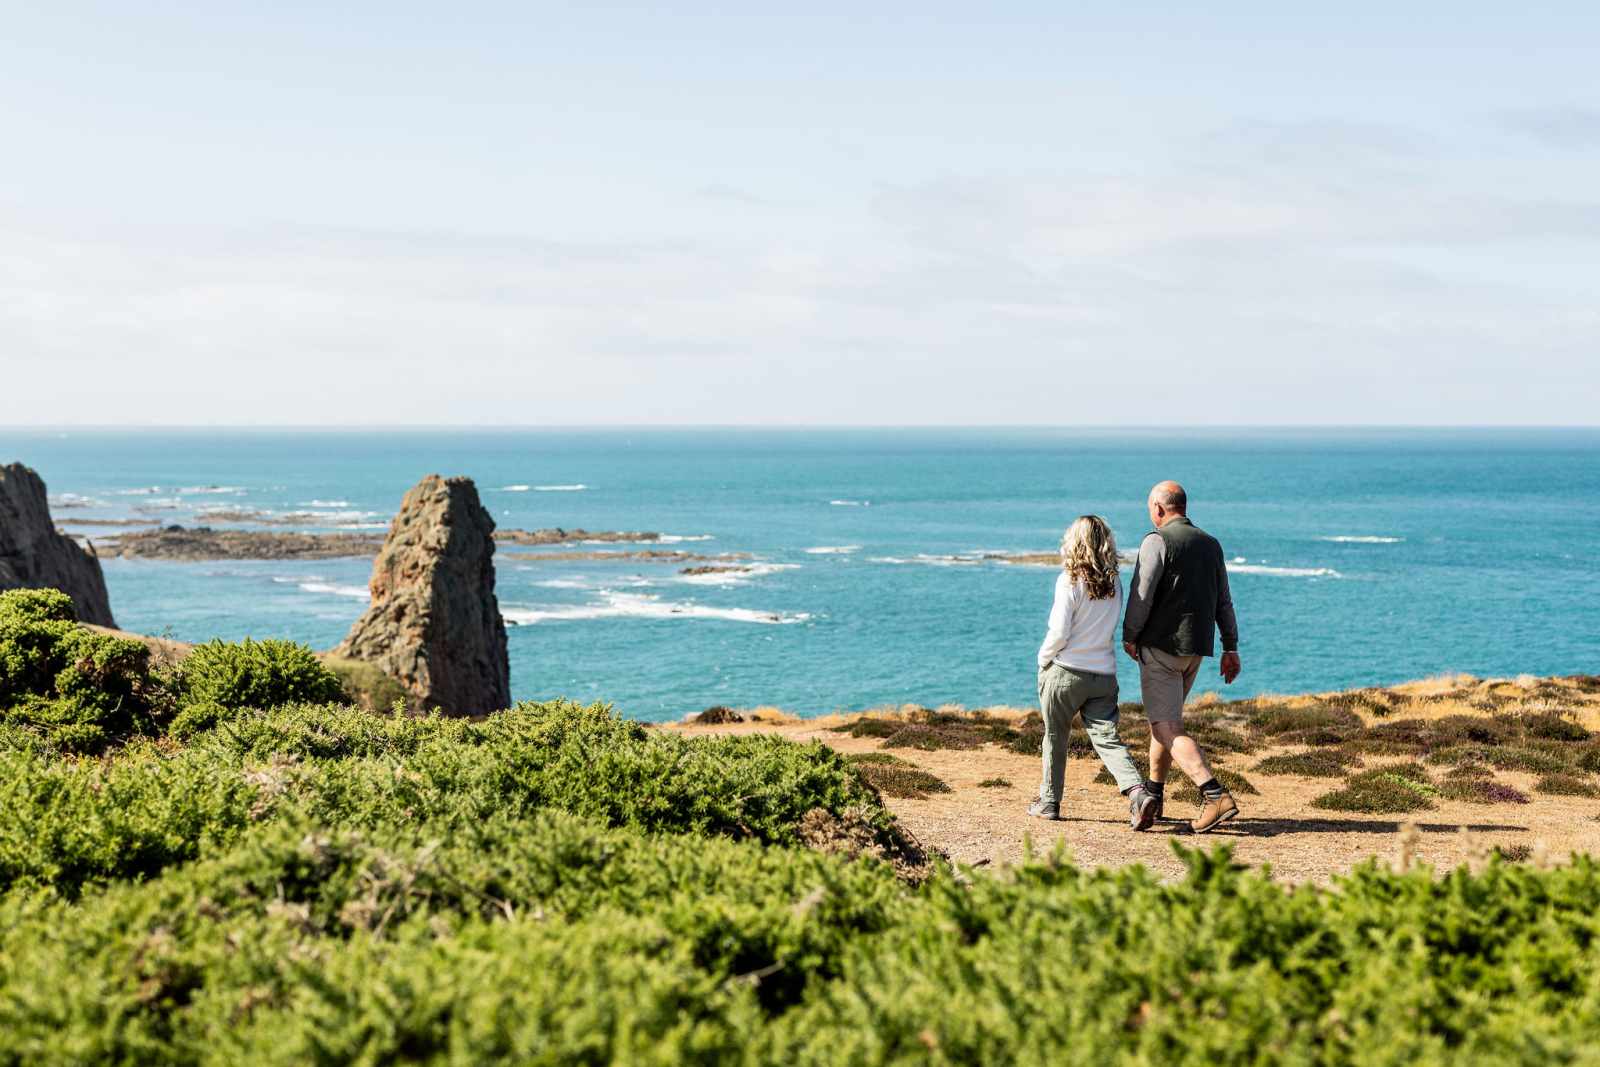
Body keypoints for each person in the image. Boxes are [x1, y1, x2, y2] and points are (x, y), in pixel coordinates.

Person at [1122, 480, 1242, 833]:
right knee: (1165, 721)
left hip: (1162, 647)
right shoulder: (1211, 544)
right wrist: (1230, 646)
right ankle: (1154, 795)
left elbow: (1141, 594)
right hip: (1195, 650)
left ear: (1159, 509)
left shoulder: (1156, 541)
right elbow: (1223, 600)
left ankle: (1214, 794)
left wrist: (1130, 635)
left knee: (1167, 726)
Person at [1029, 515, 1157, 829]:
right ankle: (1137, 792)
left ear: (1075, 542)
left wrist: (1043, 660)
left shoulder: (1069, 580)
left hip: (1066, 672)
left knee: (1055, 737)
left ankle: (1049, 801)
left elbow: (1059, 631)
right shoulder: (1114, 582)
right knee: (1107, 739)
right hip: (1103, 675)